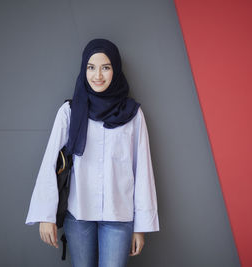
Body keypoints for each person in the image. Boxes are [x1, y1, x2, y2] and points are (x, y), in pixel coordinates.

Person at [25, 38, 159, 267]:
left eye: (105, 67)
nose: (98, 75)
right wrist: (45, 216)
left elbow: (142, 170)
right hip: (78, 212)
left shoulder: (133, 115)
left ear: (115, 70)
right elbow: (50, 163)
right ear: (83, 69)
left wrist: (141, 227)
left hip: (119, 215)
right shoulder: (69, 112)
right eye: (91, 67)